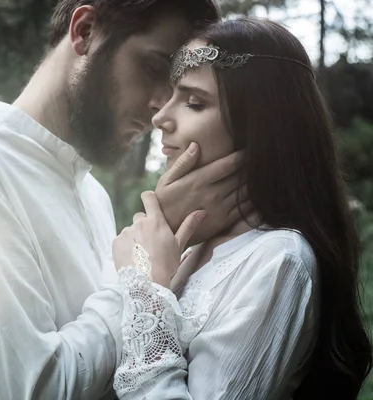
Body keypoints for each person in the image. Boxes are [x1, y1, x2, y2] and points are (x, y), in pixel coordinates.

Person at [0, 1, 248, 398]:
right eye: (153, 68)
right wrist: (139, 282)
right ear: (85, 31)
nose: (160, 107)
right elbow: (36, 388)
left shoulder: (91, 195)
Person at [112, 18, 373, 400]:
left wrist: (146, 292)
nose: (160, 117)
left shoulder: (279, 259)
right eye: (170, 95)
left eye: (194, 102)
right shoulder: (187, 241)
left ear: (261, 124)